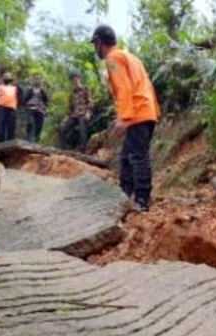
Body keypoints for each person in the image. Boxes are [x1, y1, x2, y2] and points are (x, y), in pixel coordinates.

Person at [91, 25, 160, 212]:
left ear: (99, 42)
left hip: (137, 113)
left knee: (138, 157)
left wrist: (124, 117)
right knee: (127, 158)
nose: (95, 49)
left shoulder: (113, 58)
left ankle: (142, 201)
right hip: (147, 111)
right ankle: (123, 196)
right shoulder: (131, 57)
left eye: (95, 44)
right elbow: (147, 84)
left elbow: (124, 88)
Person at [59, 72, 93, 152]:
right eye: (72, 80)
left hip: (83, 113)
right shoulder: (71, 94)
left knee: (82, 131)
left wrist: (88, 112)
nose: (74, 81)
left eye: (76, 79)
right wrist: (66, 118)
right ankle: (62, 149)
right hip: (74, 115)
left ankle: (82, 149)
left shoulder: (86, 89)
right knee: (63, 128)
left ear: (79, 79)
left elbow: (90, 102)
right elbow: (70, 108)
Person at [0, 73, 22, 142]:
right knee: (1, 125)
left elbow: (22, 93)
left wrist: (17, 83)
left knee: (11, 126)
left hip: (12, 108)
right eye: (5, 76)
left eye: (8, 76)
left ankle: (10, 142)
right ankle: (1, 142)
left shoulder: (15, 88)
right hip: (2, 107)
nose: (7, 77)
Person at [23, 74, 49, 143]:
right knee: (30, 123)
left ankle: (36, 142)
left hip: (40, 110)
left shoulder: (43, 91)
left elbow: (47, 100)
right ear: (33, 81)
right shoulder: (29, 90)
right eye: (35, 79)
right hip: (30, 109)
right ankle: (29, 140)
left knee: (39, 126)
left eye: (38, 79)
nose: (37, 81)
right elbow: (24, 99)